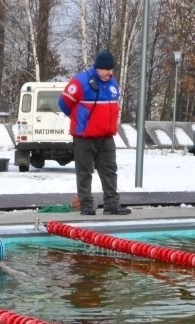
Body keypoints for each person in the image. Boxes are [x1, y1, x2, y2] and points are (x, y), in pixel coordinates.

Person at [59, 51, 130, 216]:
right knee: (84, 171)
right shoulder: (80, 81)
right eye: (106, 70)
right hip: (85, 137)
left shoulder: (113, 83)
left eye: (111, 70)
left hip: (106, 136)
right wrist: (79, 120)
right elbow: (63, 103)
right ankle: (86, 204)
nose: (110, 73)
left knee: (110, 170)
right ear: (97, 68)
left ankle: (112, 204)